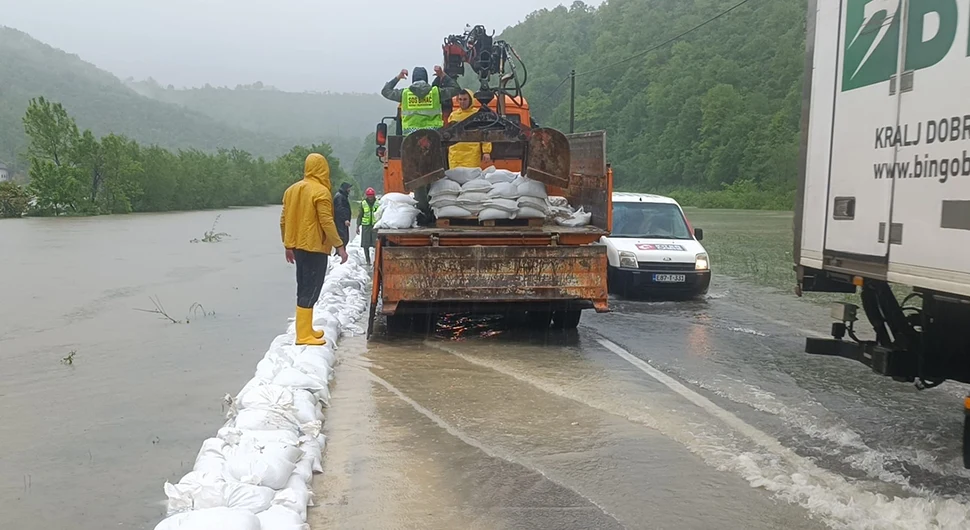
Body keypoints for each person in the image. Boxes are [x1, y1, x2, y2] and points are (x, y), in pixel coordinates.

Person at [280, 153, 349, 346]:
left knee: (303, 286)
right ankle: (303, 336)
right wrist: (339, 245)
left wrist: (287, 245)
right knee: (311, 288)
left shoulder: (291, 190)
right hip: (315, 247)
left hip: (298, 248)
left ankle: (306, 328)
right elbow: (326, 221)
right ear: (323, 169)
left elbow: (284, 220)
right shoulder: (321, 191)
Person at [382, 66, 462, 135]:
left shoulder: (404, 94)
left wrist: (398, 77)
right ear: (426, 79)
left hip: (410, 137)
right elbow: (456, 89)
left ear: (413, 79)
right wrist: (442, 75)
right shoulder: (436, 93)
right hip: (434, 135)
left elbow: (385, 91)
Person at [447, 89, 493, 168]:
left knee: (471, 178)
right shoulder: (453, 115)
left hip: (471, 155)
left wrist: (486, 152)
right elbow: (448, 133)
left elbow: (485, 133)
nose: (462, 102)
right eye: (460, 99)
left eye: (465, 99)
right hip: (455, 155)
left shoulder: (477, 115)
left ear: (471, 100)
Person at [356, 187, 379, 266]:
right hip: (366, 226)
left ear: (374, 195)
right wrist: (357, 226)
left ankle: (377, 260)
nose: (370, 197)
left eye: (371, 195)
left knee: (376, 244)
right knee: (366, 244)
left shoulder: (378, 202)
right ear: (366, 195)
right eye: (369, 195)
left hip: (375, 226)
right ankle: (368, 260)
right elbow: (360, 215)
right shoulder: (363, 203)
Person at [333, 182, 353, 247]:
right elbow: (340, 209)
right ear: (345, 189)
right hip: (340, 222)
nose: (349, 190)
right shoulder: (340, 196)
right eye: (348, 188)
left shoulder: (342, 196)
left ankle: (341, 252)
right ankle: (340, 253)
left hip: (342, 222)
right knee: (342, 237)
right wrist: (345, 219)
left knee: (345, 238)